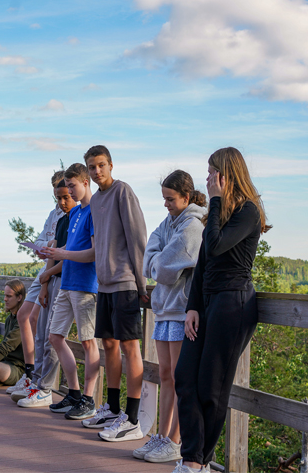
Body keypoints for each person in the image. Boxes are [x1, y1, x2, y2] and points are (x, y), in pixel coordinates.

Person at [173, 147, 270, 473]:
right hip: (208, 303)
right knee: (185, 377)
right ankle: (192, 458)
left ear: (226, 175)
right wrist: (192, 307)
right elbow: (204, 262)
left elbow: (215, 245)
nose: (207, 178)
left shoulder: (249, 212)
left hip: (233, 304)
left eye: (212, 173)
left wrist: (214, 200)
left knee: (211, 389)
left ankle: (195, 463)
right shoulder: (220, 212)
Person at [135, 170, 206, 463]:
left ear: (185, 197)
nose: (165, 204)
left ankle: (175, 441)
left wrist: (160, 262)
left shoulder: (193, 225)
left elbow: (162, 266)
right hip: (163, 307)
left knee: (179, 378)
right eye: (163, 198)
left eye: (170, 198)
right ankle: (161, 437)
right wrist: (160, 261)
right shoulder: (169, 223)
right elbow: (149, 259)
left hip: (180, 309)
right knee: (165, 375)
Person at [82, 145, 148, 442]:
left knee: (130, 347)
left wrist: (142, 283)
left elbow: (137, 238)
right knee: (108, 344)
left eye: (101, 165)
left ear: (110, 165)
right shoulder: (95, 200)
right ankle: (112, 407)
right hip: (104, 283)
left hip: (125, 282)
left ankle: (132, 419)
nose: (97, 171)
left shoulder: (123, 192)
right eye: (92, 167)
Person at [39, 163, 100, 419]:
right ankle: (73, 393)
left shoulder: (95, 212)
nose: (70, 193)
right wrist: (54, 253)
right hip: (66, 282)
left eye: (72, 186)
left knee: (88, 342)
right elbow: (69, 253)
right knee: (55, 336)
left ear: (85, 183)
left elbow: (94, 253)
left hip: (86, 284)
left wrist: (62, 253)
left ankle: (89, 399)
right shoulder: (74, 215)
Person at [17, 177, 76, 408]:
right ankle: (37, 382)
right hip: (50, 278)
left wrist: (49, 274)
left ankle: (47, 388)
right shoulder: (61, 220)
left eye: (65, 197)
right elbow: (52, 248)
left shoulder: (80, 218)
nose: (62, 202)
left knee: (54, 335)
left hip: (66, 280)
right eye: (58, 198)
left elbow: (71, 253)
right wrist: (44, 282)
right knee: (42, 332)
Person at [9, 171, 66, 393]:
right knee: (24, 315)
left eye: (61, 194)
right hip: (45, 268)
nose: (59, 201)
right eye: (55, 195)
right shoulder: (54, 213)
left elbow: (63, 246)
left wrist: (50, 250)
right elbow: (43, 238)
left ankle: (42, 383)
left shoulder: (72, 214)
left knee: (46, 327)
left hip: (56, 271)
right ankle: (31, 372)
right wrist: (43, 247)